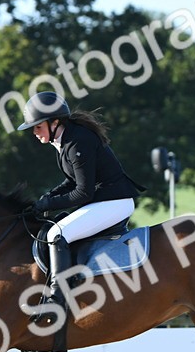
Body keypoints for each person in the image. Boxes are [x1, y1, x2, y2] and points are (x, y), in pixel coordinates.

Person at [18, 91, 145, 310]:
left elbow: (82, 193)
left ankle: (58, 295)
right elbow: (72, 182)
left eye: (37, 127)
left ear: (54, 122)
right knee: (56, 226)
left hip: (115, 202)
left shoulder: (78, 141)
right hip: (104, 201)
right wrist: (45, 199)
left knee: (56, 233)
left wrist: (48, 205)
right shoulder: (64, 141)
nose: (35, 133)